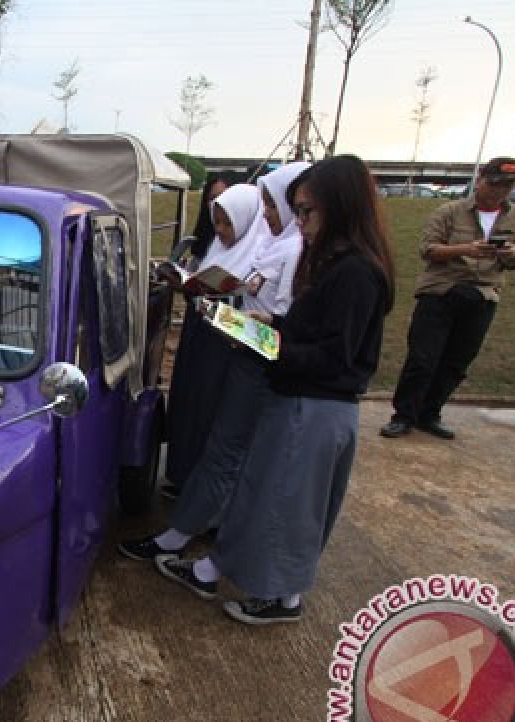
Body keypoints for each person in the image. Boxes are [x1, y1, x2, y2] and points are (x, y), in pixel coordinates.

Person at [155, 155, 395, 625]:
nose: (298, 223)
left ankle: (280, 595)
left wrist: (268, 342)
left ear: (340, 208)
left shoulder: (354, 272)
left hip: (317, 403)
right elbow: (319, 333)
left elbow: (334, 356)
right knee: (270, 494)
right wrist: (272, 324)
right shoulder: (337, 264)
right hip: (305, 399)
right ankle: (256, 582)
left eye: (307, 212)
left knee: (287, 505)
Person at [119, 162, 311, 561]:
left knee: (225, 452)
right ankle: (197, 532)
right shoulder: (276, 247)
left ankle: (186, 539)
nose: (269, 216)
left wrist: (229, 317)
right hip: (242, 351)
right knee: (223, 448)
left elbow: (280, 324)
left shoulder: (292, 251)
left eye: (274, 207)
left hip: (252, 360)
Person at [380, 157, 515, 440]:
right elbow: (428, 250)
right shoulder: (449, 211)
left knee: (457, 361)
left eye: (507, 186)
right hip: (441, 292)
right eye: (494, 184)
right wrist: (466, 249)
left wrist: (512, 255)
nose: (499, 191)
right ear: (479, 180)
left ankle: (430, 413)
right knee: (423, 358)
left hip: (484, 294)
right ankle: (403, 415)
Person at [161, 178, 263, 496]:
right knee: (192, 407)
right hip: (203, 340)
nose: (219, 229)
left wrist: (220, 300)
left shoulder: (261, 254)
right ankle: (184, 477)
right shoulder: (217, 249)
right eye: (215, 220)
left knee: (214, 418)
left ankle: (206, 496)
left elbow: (255, 321)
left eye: (226, 222)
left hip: (229, 350)